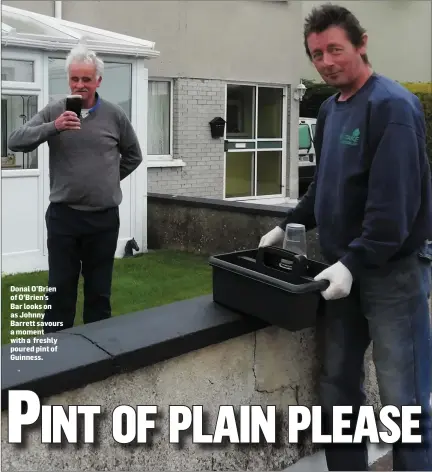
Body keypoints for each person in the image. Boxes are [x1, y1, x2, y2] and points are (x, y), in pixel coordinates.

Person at [259, 4, 432, 471]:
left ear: (361, 43)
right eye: (316, 54)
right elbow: (325, 185)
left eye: (335, 49)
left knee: (404, 402)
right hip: (339, 275)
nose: (326, 62)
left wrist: (352, 264)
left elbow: (393, 213)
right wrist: (285, 224)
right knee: (337, 387)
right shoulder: (330, 110)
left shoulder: (392, 107)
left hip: (391, 275)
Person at [8, 45, 143, 333]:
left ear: (98, 81)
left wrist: (107, 180)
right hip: (64, 218)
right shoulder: (55, 111)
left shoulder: (114, 115)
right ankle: (56, 362)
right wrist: (53, 127)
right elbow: (15, 141)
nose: (80, 85)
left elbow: (133, 156)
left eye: (86, 79)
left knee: (99, 293)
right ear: (68, 80)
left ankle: (96, 357)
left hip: (103, 219)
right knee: (60, 291)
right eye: (74, 79)